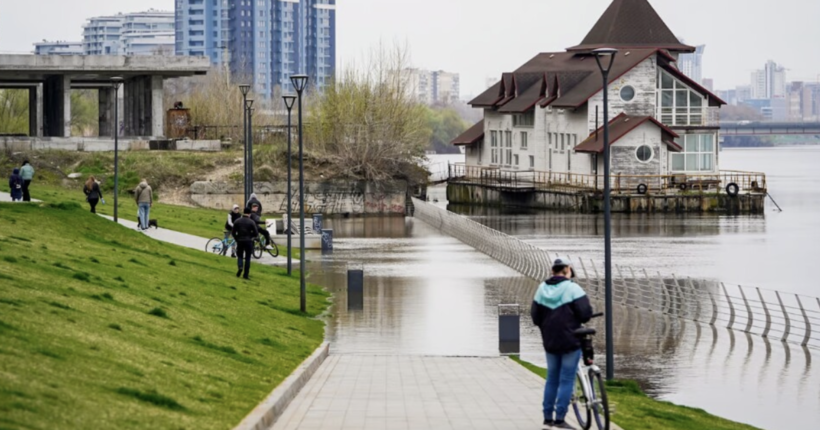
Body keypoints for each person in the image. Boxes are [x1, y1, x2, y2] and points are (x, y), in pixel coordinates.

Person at [531, 258, 593, 430]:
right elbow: (585, 314)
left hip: (550, 340)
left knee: (552, 379)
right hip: (570, 340)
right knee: (566, 379)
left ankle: (547, 419)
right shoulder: (573, 288)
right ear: (567, 270)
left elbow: (535, 317)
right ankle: (559, 419)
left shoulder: (541, 289)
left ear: (552, 271)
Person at [231, 207, 259, 279]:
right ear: (249, 214)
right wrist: (251, 236)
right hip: (248, 241)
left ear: (243, 212)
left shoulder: (237, 221)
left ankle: (240, 266)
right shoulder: (251, 222)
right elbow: (256, 233)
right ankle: (246, 274)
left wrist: (237, 238)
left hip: (240, 240)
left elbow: (233, 232)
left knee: (240, 255)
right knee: (247, 258)